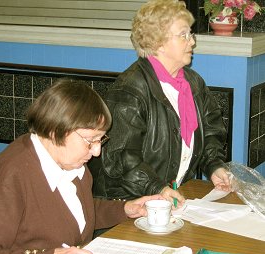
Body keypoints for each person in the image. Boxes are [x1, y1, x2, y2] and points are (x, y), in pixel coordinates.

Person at [0, 79, 179, 254]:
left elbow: (74, 211)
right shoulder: (8, 176)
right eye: (89, 140)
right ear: (54, 131)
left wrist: (126, 209)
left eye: (100, 140)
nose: (97, 151)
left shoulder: (70, 163)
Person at [89, 0, 231, 201]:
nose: (192, 42)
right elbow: (121, 158)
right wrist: (158, 188)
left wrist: (214, 166)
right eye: (183, 35)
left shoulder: (193, 83)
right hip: (126, 203)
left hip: (165, 199)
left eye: (190, 34)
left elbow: (211, 130)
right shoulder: (130, 90)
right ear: (158, 43)